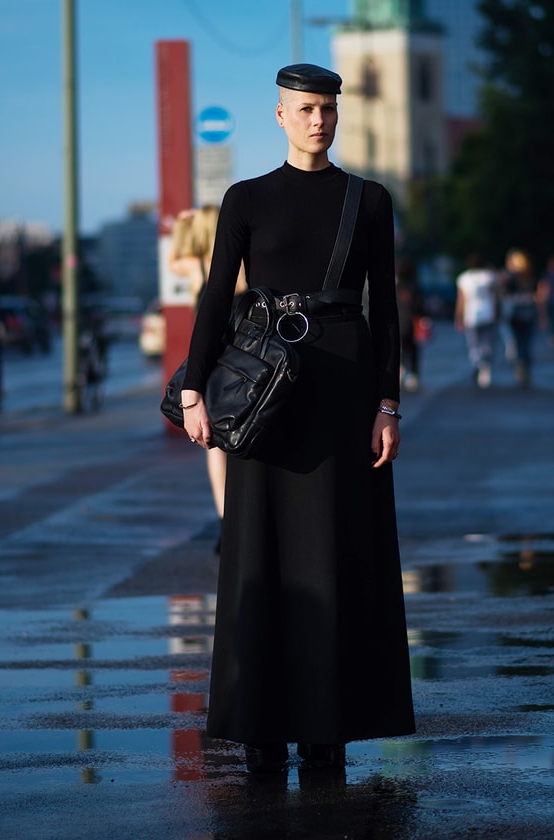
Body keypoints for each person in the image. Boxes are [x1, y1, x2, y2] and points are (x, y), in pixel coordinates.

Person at [178, 63, 415, 775]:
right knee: (262, 554)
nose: (319, 119)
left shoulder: (368, 201)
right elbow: (218, 297)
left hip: (345, 402)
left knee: (339, 556)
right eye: (305, 108)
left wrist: (387, 404)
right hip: (266, 402)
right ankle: (260, 729)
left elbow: (388, 311)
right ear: (280, 115)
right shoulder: (245, 199)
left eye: (327, 109)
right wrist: (194, 392)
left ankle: (328, 728)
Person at [169, 204, 245, 542]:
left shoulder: (199, 266)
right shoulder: (242, 263)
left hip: (213, 359)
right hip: (247, 356)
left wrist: (182, 227)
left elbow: (173, 260)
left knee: (215, 447)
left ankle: (225, 518)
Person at [454, 253, 500, 388]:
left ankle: (477, 364)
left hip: (471, 315)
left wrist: (458, 316)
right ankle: (485, 368)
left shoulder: (464, 278)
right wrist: (498, 312)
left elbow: (461, 300)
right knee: (487, 343)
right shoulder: (490, 277)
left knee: (474, 344)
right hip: (488, 314)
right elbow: (496, 298)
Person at [501, 248, 540, 387]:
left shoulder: (510, 277)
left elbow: (504, 294)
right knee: (527, 342)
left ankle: (520, 363)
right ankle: (525, 366)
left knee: (516, 341)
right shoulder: (531, 275)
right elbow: (538, 296)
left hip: (515, 312)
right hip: (530, 311)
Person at [394, 258, 425, 392]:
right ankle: (412, 373)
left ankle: (400, 370)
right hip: (412, 322)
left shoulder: (395, 286)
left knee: (398, 348)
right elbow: (419, 305)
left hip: (398, 321)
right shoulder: (415, 286)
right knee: (412, 349)